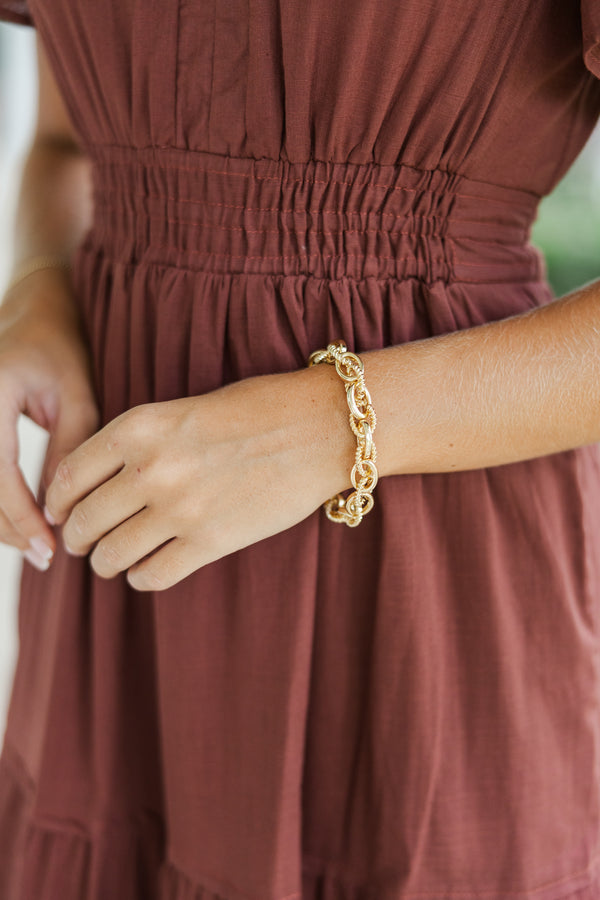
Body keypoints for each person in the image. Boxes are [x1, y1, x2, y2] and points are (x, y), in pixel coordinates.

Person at [0, 0, 599, 897]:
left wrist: (333, 425)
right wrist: (36, 293)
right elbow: (65, 146)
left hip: (420, 567)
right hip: (125, 576)